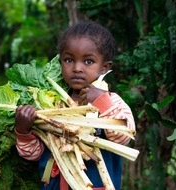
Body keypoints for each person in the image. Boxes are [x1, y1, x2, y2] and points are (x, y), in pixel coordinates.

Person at [14, 21, 135, 190]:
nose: (77, 68)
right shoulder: (50, 104)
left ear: (104, 68)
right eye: (69, 60)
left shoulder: (113, 102)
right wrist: (23, 131)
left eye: (88, 62)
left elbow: (122, 137)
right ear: (60, 62)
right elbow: (34, 155)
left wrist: (101, 101)